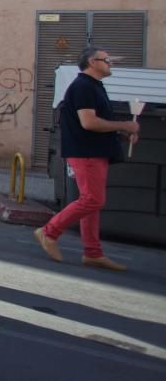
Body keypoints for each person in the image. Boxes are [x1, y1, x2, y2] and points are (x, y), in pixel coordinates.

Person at [34, 47, 139, 271]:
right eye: (107, 60)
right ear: (92, 62)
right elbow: (89, 122)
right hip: (86, 152)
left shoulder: (93, 87)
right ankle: (49, 231)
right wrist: (124, 125)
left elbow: (96, 122)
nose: (111, 63)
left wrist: (120, 133)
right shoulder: (83, 87)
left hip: (94, 151)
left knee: (91, 203)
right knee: (93, 200)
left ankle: (93, 252)